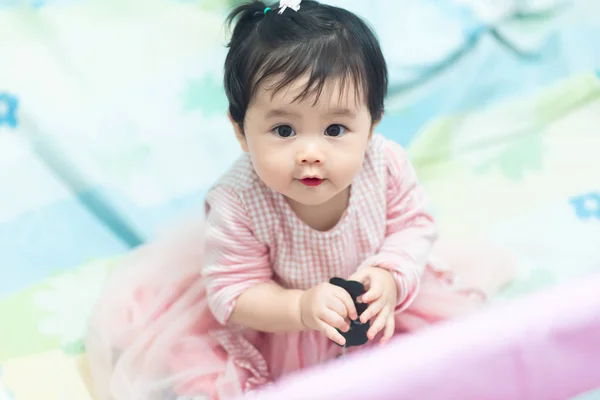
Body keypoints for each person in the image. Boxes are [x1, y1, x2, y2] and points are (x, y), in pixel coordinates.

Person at [85, 1, 515, 399]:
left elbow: (413, 226)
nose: (311, 153)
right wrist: (301, 307)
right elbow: (235, 293)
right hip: (283, 324)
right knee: (213, 369)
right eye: (285, 131)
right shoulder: (238, 200)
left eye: (335, 130)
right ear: (240, 131)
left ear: (371, 123)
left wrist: (389, 276)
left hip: (376, 307)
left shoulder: (385, 164)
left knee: (438, 364)